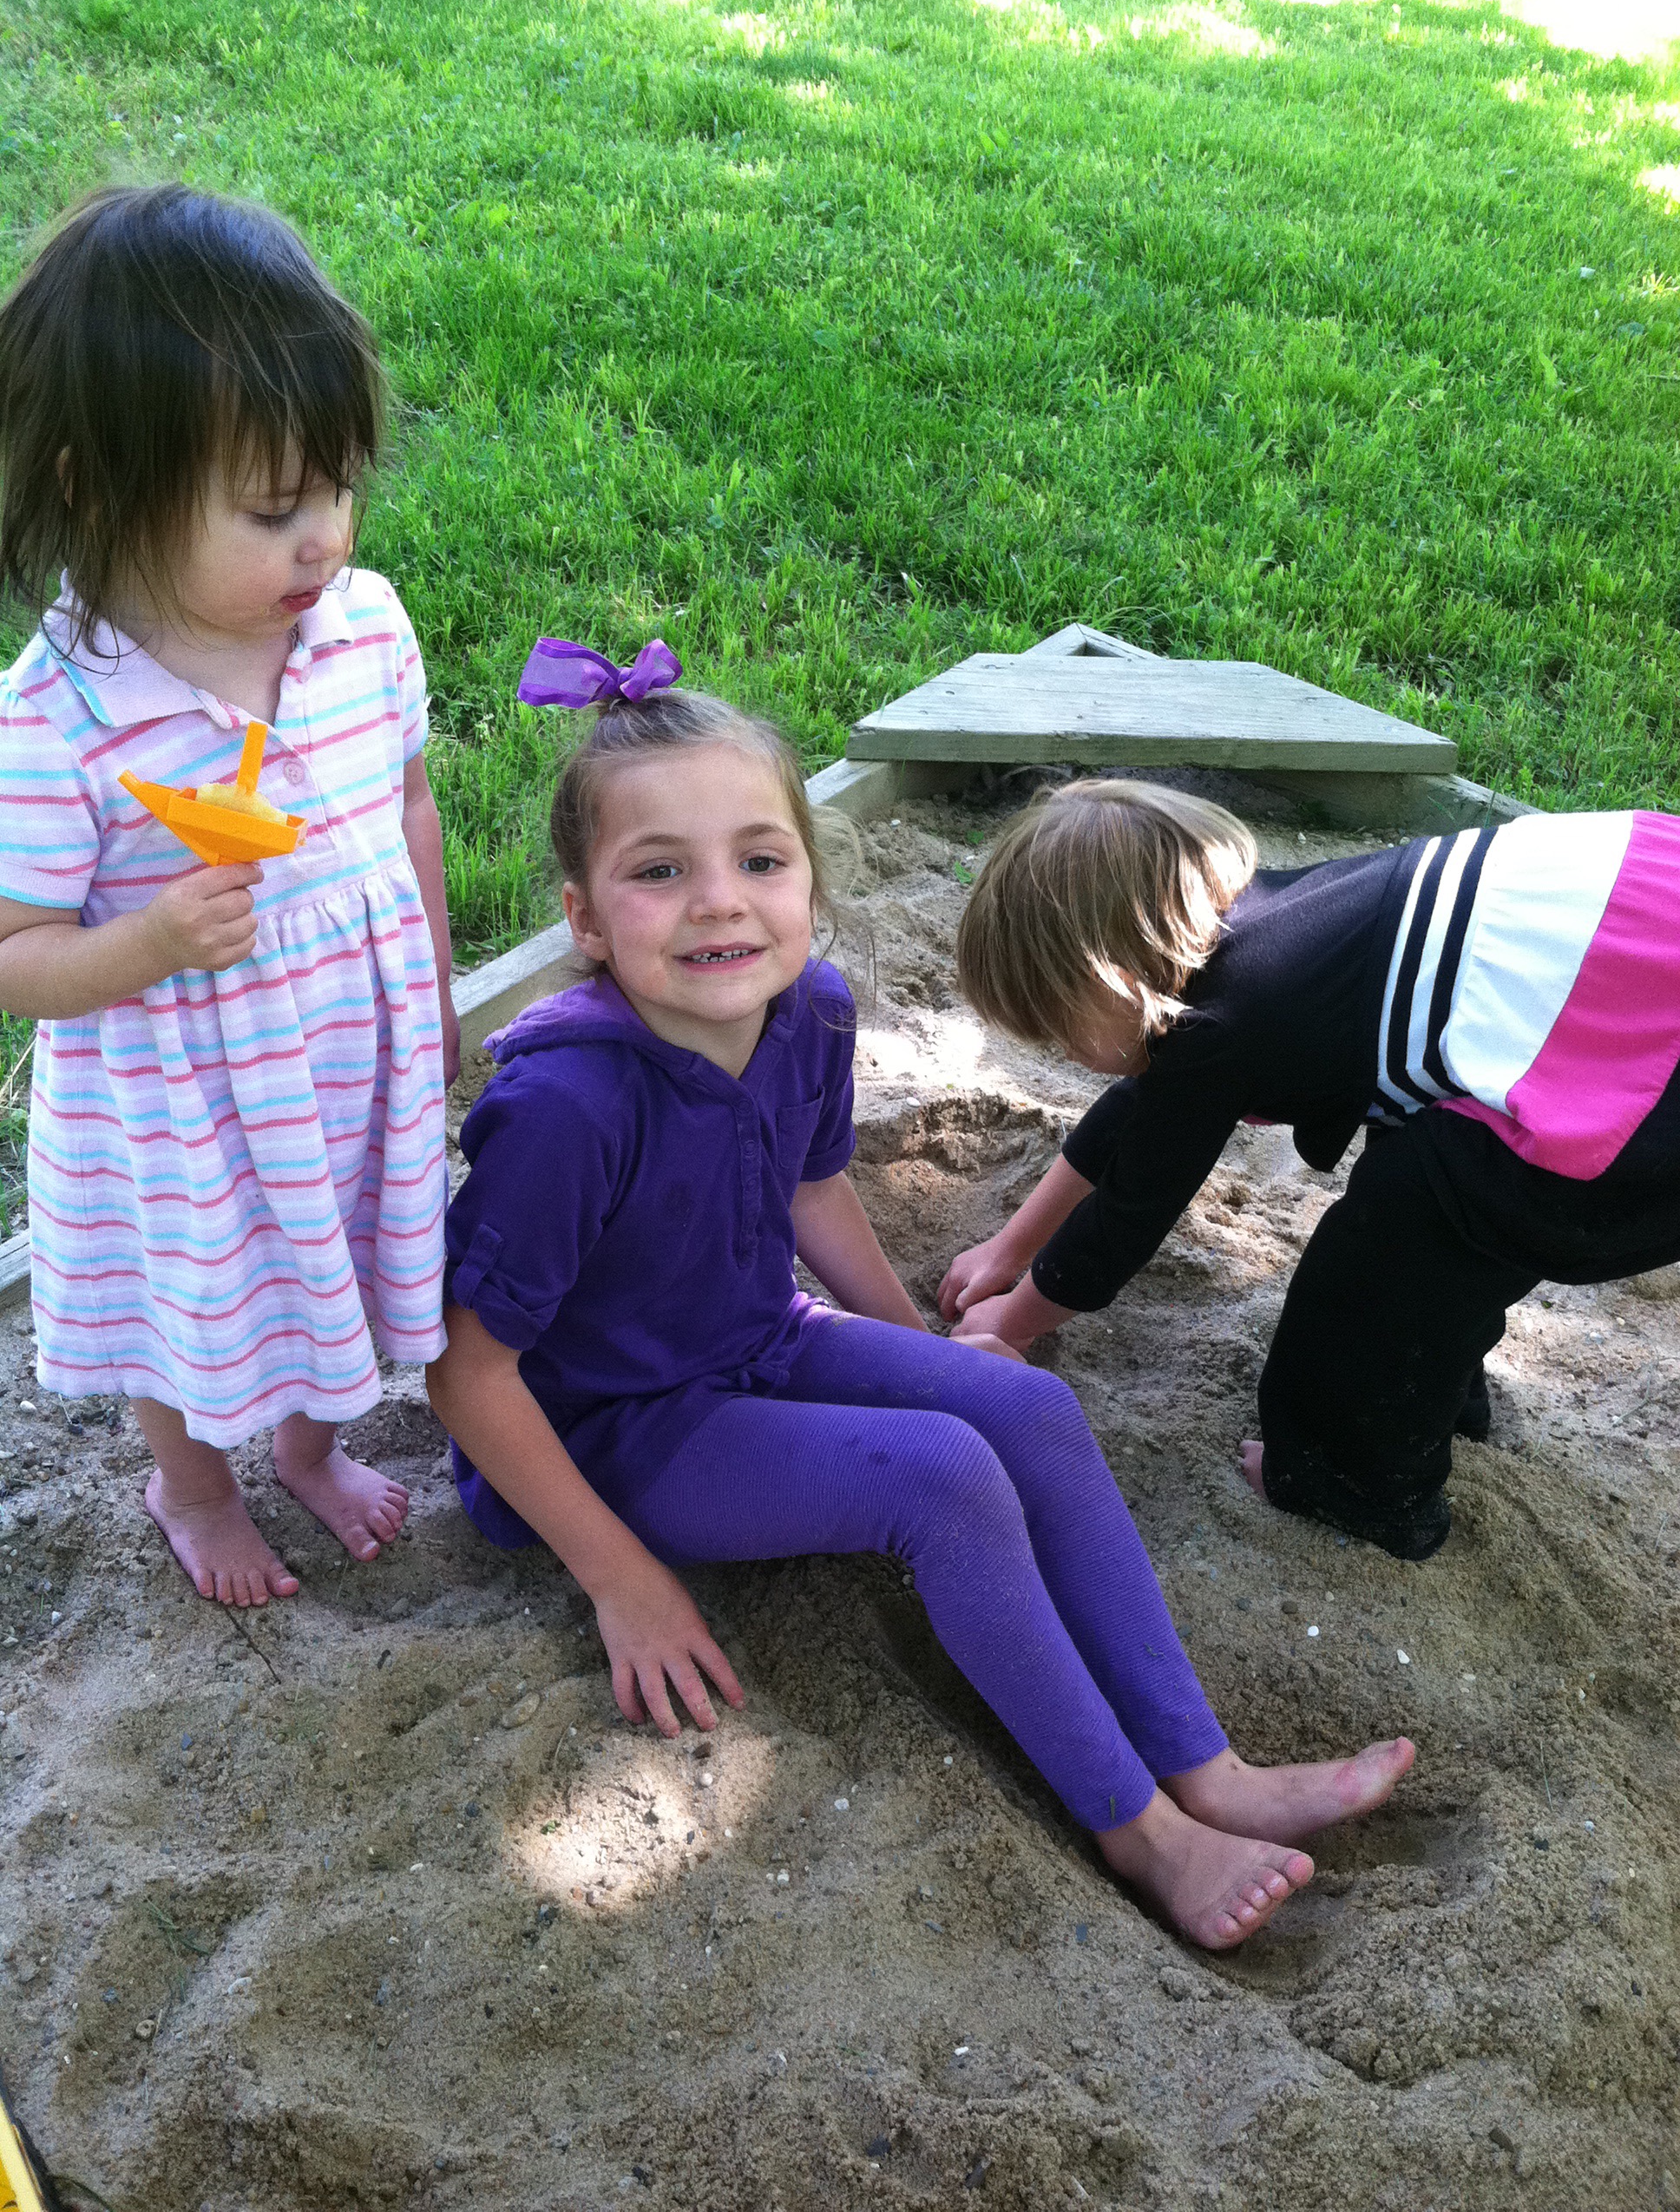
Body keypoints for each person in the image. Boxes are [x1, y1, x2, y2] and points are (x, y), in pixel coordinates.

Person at [425, 654, 1413, 1952]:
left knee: (1019, 1405)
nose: (718, 901)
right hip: (616, 1428)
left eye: (760, 860)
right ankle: (1147, 1836)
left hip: (755, 1341)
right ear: (586, 919)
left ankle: (1207, 1770)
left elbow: (810, 1190)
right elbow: (465, 1372)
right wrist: (622, 1580)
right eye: (659, 871)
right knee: (943, 1479)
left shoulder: (809, 1013)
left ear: (809, 882)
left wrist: (921, 1357)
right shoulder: (564, 1107)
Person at [0, 185, 457, 1606]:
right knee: (193, 1294)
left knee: (354, 1251)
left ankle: (313, 1447)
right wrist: (145, 941)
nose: (325, 537)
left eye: (337, 488)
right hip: (185, 1105)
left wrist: (438, 987)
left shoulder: (363, 631)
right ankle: (192, 1485)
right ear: (96, 488)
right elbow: (14, 950)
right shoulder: (57, 718)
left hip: (350, 1050)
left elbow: (408, 804)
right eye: (272, 510)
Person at [942, 778, 1680, 1562]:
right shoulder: (1266, 933)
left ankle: (1354, 1482)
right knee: (1437, 1173)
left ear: (1115, 981)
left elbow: (1124, 1222)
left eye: (1059, 1032)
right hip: (1629, 951)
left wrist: (1010, 1325)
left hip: (1644, 1077)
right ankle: (1432, 1392)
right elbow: (1135, 1116)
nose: (1063, 1054)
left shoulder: (1216, 1032)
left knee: (1403, 1226)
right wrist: (1010, 1249)